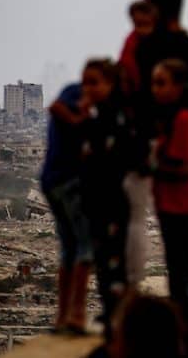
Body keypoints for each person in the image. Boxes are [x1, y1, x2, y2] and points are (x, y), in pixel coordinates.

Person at [151, 58, 188, 358]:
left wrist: (151, 165)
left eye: (161, 83)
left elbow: (184, 167)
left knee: (181, 286)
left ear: (177, 86)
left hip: (183, 211)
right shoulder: (171, 119)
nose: (155, 89)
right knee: (177, 283)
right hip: (173, 209)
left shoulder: (184, 120)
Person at [77, 58, 132, 346]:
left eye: (94, 82)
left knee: (113, 265)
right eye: (85, 82)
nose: (88, 88)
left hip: (111, 203)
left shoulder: (116, 118)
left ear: (109, 84)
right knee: (104, 263)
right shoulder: (99, 117)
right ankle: (113, 320)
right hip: (98, 203)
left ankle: (117, 324)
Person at [40, 81, 93, 335]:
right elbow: (56, 108)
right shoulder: (79, 97)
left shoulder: (77, 96)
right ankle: (77, 314)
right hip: (68, 182)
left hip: (53, 181)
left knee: (70, 248)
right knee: (85, 247)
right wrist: (82, 121)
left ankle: (63, 315)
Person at [117, 0, 157, 292]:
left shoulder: (157, 46)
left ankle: (134, 282)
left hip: (146, 136)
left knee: (136, 217)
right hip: (134, 136)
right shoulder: (133, 44)